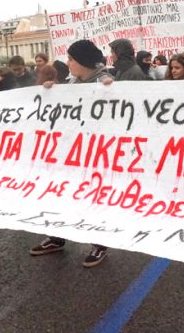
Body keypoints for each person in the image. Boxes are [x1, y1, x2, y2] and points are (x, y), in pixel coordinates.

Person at [30, 39, 112, 268]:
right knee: (60, 193)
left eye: (71, 59)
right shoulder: (72, 82)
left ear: (83, 62)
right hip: (69, 152)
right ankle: (56, 236)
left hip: (95, 154)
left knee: (94, 198)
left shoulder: (106, 82)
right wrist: (51, 92)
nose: (68, 63)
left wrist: (111, 91)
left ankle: (100, 243)